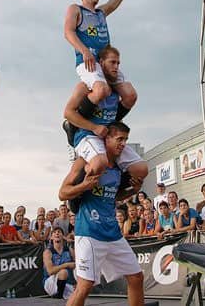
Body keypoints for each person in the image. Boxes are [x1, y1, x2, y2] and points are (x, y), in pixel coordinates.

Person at [58, 122, 145, 306]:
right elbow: (62, 193)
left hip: (112, 233)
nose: (123, 144)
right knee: (84, 286)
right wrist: (85, 185)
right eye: (119, 139)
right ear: (106, 139)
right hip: (89, 232)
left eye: (126, 140)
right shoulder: (85, 161)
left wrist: (133, 191)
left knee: (136, 277)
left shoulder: (120, 169)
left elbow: (114, 196)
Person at [63, 46, 148, 200]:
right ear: (101, 63)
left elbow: (129, 97)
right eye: (112, 63)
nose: (116, 67)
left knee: (141, 169)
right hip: (88, 133)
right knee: (99, 163)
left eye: (118, 64)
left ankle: (112, 194)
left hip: (108, 136)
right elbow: (67, 113)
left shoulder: (117, 89)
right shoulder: (85, 86)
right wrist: (94, 127)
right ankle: (78, 199)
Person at [63, 0, 135, 137]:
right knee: (101, 90)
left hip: (106, 63)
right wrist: (84, 50)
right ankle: (73, 125)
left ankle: (109, 125)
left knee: (130, 95)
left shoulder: (101, 12)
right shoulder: (76, 9)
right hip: (88, 61)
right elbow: (68, 32)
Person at [43, 227, 76, 299]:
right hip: (51, 282)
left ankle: (62, 293)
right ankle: (58, 297)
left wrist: (76, 283)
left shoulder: (69, 250)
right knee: (63, 272)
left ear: (63, 237)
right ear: (51, 237)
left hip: (67, 282)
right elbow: (50, 271)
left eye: (59, 232)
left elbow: (76, 266)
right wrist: (66, 265)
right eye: (54, 232)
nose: (57, 233)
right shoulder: (48, 252)